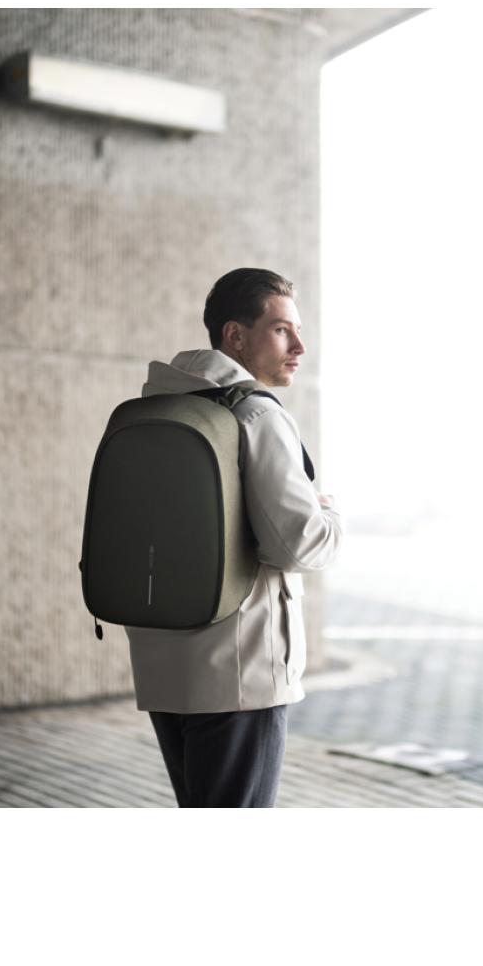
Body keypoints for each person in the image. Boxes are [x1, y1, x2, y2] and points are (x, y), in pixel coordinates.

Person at [125, 267, 343, 807]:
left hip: (165, 666)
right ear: (235, 336)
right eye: (281, 330)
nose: (299, 346)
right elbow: (298, 544)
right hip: (241, 671)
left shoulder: (159, 406)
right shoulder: (255, 414)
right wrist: (329, 512)